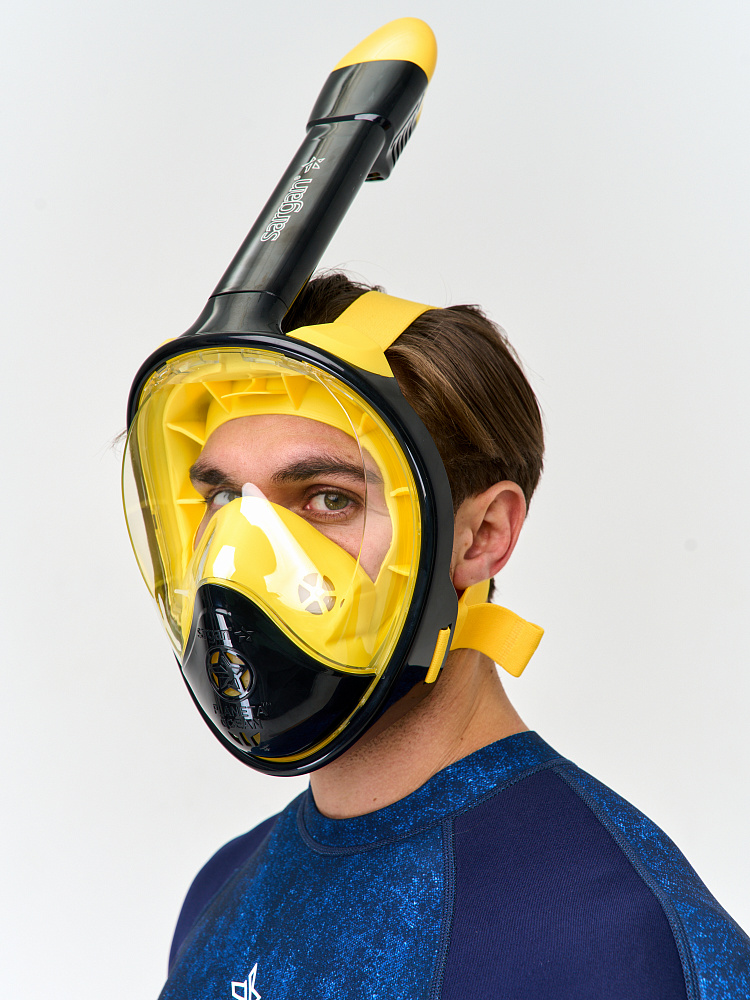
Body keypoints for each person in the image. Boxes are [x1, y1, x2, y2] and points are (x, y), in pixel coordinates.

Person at [135, 272, 750, 999]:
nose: (241, 562)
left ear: (482, 536)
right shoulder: (219, 894)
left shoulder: (613, 942)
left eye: (329, 499)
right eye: (222, 498)